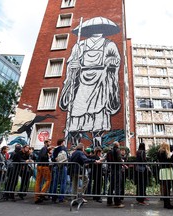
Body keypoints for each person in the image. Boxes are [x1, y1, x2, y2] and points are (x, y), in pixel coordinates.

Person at [59, 16, 121, 147]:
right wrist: (73, 65)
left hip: (101, 80)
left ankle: (97, 143)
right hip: (81, 82)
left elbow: (116, 60)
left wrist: (111, 62)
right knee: (77, 110)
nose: (97, 30)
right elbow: (71, 62)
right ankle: (75, 143)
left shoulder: (109, 44)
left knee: (99, 111)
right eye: (94, 28)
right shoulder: (80, 44)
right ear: (88, 30)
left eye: (99, 28)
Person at [157, 142, 173, 209]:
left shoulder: (159, 152)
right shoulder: (164, 153)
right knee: (167, 187)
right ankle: (167, 204)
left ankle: (166, 203)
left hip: (163, 170)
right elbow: (168, 158)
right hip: (166, 170)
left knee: (166, 187)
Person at [106, 141, 124, 208]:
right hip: (117, 169)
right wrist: (122, 162)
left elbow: (108, 160)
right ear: (117, 145)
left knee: (111, 185)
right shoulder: (117, 150)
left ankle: (109, 201)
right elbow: (119, 159)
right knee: (117, 186)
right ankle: (117, 202)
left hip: (112, 169)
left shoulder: (110, 151)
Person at [34, 139, 52, 204]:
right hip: (44, 166)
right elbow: (43, 156)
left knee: (38, 181)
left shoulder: (43, 149)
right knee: (48, 180)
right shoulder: (45, 148)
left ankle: (36, 196)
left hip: (39, 166)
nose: (50, 143)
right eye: (49, 142)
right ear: (46, 143)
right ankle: (42, 193)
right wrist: (48, 155)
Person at [51, 138, 68, 203]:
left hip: (56, 166)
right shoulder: (63, 149)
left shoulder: (55, 149)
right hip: (63, 166)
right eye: (64, 142)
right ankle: (61, 198)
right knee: (63, 182)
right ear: (62, 143)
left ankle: (53, 198)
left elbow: (52, 158)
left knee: (55, 182)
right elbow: (66, 158)